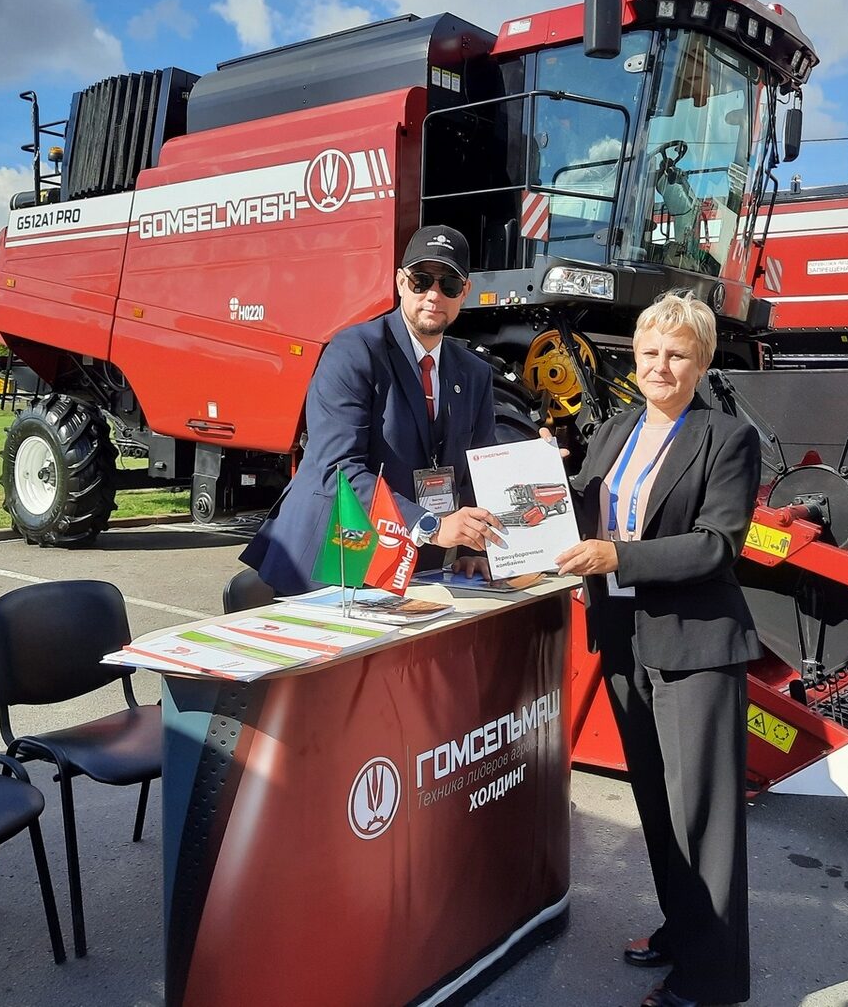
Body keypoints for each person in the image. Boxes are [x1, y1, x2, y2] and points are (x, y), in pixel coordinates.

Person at [555, 292, 761, 1007]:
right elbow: (582, 507)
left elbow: (716, 544)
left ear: (700, 363)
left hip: (696, 644)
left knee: (702, 817)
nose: (660, 366)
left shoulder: (726, 438)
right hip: (624, 639)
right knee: (656, 802)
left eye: (677, 354)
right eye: (649, 352)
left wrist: (619, 556)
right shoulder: (613, 430)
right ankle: (683, 931)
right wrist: (539, 480)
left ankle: (710, 981)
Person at [241, 224, 502, 595]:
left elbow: (479, 469)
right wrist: (431, 525)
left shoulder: (474, 373)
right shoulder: (354, 351)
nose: (433, 295)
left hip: (412, 567)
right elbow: (338, 468)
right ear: (400, 282)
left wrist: (472, 547)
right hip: (336, 560)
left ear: (465, 292)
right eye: (421, 280)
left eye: (448, 285)